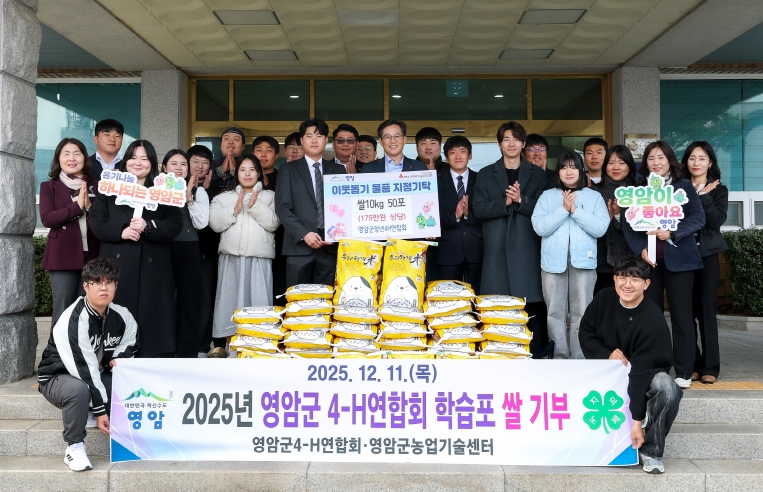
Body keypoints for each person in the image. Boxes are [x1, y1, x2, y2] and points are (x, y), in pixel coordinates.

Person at [579, 256, 682, 475]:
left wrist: (636, 420)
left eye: (635, 279)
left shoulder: (652, 318)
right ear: (614, 279)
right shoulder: (603, 299)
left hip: (643, 376)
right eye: (623, 277)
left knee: (667, 387)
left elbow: (642, 372)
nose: (627, 284)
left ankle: (651, 451)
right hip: (607, 373)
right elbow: (586, 333)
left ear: (646, 284)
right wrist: (606, 354)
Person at [37, 258, 138, 472]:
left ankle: (123, 436)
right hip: (58, 377)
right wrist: (100, 410)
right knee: (78, 390)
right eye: (97, 282)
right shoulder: (73, 318)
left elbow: (131, 341)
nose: (104, 288)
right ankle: (74, 446)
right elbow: (84, 369)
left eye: (109, 283)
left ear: (116, 286)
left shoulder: (122, 314)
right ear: (85, 286)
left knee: (123, 384)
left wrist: (118, 357)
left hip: (94, 374)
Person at [622, 140, 705, 389]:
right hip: (649, 263)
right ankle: (655, 367)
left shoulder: (684, 186)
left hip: (680, 260)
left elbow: (698, 217)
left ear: (670, 160)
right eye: (650, 158)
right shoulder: (638, 189)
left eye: (661, 157)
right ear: (645, 163)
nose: (656, 163)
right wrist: (641, 249)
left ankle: (684, 370)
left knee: (682, 316)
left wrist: (672, 232)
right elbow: (628, 222)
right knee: (651, 316)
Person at [89, 140, 183, 358]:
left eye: (144, 158)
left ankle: (151, 360)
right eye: (133, 157)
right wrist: (121, 230)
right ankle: (113, 359)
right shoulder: (111, 187)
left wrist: (149, 226)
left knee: (152, 318)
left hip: (153, 267)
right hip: (117, 266)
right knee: (116, 316)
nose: (138, 163)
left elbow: (175, 224)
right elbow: (97, 220)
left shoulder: (163, 191)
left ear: (152, 163)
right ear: (125, 161)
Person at [473, 121, 548, 356]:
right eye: (506, 139)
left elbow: (546, 210)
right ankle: (498, 357)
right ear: (499, 145)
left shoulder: (538, 174)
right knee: (497, 311)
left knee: (531, 311)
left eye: (516, 139)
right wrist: (504, 202)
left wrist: (521, 200)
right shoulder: (486, 174)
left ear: (523, 144)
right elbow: (478, 209)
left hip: (528, 248)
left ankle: (534, 357)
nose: (511, 143)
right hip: (496, 250)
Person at [532, 151, 609, 359]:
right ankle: (559, 356)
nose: (569, 171)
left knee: (582, 312)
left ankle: (579, 357)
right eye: (564, 167)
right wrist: (563, 209)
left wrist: (575, 211)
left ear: (581, 170)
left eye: (574, 167)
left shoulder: (594, 197)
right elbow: (539, 227)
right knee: (554, 312)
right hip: (552, 263)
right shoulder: (548, 196)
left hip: (584, 262)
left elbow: (600, 228)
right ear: (558, 171)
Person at [210, 155, 280, 356]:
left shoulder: (271, 196)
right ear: (236, 173)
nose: (247, 174)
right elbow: (214, 224)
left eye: (252, 169)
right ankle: (232, 350)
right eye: (242, 169)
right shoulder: (222, 198)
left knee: (258, 305)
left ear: (259, 173)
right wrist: (235, 210)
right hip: (231, 259)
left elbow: (274, 223)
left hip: (259, 259)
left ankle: (257, 350)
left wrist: (255, 206)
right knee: (229, 304)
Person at [275, 118, 346, 287]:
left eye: (319, 136)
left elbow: (344, 208)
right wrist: (304, 234)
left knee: (326, 298)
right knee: (298, 298)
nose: (314, 140)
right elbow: (282, 208)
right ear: (302, 140)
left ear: (326, 140)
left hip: (330, 247)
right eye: (309, 136)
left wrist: (336, 235)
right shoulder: (288, 169)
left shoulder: (338, 170)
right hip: (299, 248)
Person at [40, 138, 101, 326]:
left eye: (77, 153)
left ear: (84, 158)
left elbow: (104, 219)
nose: (72, 158)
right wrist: (77, 206)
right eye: (66, 154)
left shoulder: (97, 185)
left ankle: (85, 346)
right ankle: (57, 346)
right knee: (63, 309)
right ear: (59, 159)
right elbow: (47, 218)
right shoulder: (49, 186)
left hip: (93, 254)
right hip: (62, 255)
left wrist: (89, 207)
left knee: (89, 310)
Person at [681, 141, 728, 384]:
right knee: (685, 312)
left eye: (701, 158)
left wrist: (705, 197)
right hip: (682, 255)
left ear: (710, 162)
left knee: (707, 311)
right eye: (692, 158)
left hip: (707, 255)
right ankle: (693, 364)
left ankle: (711, 366)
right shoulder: (677, 189)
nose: (696, 163)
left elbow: (716, 222)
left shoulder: (719, 190)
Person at [162, 149, 209, 358]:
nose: (179, 168)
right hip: (163, 249)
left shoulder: (199, 192)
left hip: (190, 249)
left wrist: (189, 198)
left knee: (189, 303)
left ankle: (186, 353)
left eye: (183, 164)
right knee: (164, 301)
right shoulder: (156, 191)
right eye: (174, 163)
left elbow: (201, 223)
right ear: (164, 167)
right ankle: (164, 349)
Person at [186, 144, 223, 357]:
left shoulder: (214, 191)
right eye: (196, 161)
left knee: (205, 301)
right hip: (182, 253)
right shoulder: (176, 188)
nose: (200, 166)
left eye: (205, 162)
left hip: (207, 255)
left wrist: (206, 192)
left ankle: (201, 347)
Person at [436, 136, 483, 292]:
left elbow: (489, 214)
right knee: (449, 298)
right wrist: (455, 215)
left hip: (477, 249)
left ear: (470, 155)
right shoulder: (436, 182)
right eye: (452, 152)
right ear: (446, 157)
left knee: (477, 297)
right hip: (447, 251)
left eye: (462, 151)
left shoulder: (482, 179)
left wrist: (469, 214)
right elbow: (430, 219)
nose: (458, 156)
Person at [592, 145, 639, 294]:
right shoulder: (593, 191)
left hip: (631, 260)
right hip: (599, 260)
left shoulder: (639, 191)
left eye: (621, 163)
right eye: (611, 163)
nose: (616, 167)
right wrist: (607, 219)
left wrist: (618, 216)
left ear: (630, 166)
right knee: (603, 302)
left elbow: (642, 227)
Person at [253, 135, 287, 305]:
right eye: (259, 150)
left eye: (269, 150)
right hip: (254, 244)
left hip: (280, 242)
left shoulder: (284, 177)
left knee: (278, 288)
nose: (263, 154)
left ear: (277, 155)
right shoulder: (244, 178)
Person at [361, 119, 428, 173]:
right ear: (381, 141)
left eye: (397, 136)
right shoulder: (368, 169)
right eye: (387, 137)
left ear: (404, 139)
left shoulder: (419, 167)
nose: (393, 141)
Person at [210, 127, 246, 193]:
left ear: (243, 146)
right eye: (226, 138)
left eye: (236, 139)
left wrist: (234, 171)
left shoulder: (250, 164)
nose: (231, 142)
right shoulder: (211, 164)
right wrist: (221, 171)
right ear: (220, 145)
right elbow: (203, 185)